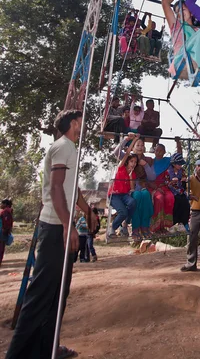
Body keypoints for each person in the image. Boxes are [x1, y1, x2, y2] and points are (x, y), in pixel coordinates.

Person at [6, 109, 97, 359]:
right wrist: (68, 226)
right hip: (55, 227)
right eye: (82, 122)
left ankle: (47, 348)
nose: (84, 126)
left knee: (58, 293)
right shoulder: (63, 147)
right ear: (74, 123)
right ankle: (18, 354)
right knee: (41, 294)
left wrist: (88, 212)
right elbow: (56, 188)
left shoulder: (71, 149)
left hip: (61, 227)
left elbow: (71, 188)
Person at [114, 135, 155, 241]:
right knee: (136, 196)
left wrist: (145, 165)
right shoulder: (128, 158)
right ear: (133, 147)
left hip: (142, 187)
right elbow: (116, 153)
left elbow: (152, 177)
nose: (140, 147)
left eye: (142, 145)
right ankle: (135, 229)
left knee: (146, 194)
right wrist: (126, 140)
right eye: (138, 145)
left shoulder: (148, 160)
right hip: (128, 190)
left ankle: (145, 227)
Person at [149, 139, 183, 233]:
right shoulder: (150, 161)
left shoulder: (168, 161)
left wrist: (178, 143)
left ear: (164, 152)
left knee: (170, 198)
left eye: (160, 151)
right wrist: (156, 188)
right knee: (159, 198)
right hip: (154, 187)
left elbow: (178, 156)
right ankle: (156, 227)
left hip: (165, 186)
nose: (158, 152)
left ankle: (166, 226)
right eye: (156, 150)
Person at [107, 146, 137, 238]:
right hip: (114, 195)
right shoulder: (121, 168)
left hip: (124, 195)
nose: (133, 164)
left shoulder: (133, 174)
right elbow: (127, 153)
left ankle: (125, 224)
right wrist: (133, 140)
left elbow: (132, 189)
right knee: (123, 212)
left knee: (132, 202)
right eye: (132, 161)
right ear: (127, 162)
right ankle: (113, 228)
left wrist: (131, 177)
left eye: (135, 162)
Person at [167, 152, 190, 231]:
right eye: (178, 164)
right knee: (175, 202)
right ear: (174, 164)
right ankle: (172, 223)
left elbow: (184, 179)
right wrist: (175, 181)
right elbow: (168, 182)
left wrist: (180, 180)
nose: (180, 165)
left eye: (181, 164)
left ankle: (183, 223)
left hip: (180, 190)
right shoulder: (168, 171)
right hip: (171, 190)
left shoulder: (182, 171)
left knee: (185, 202)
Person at [0, 199, 13, 267]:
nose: (1, 205)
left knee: (1, 248)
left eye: (2, 203)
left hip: (2, 233)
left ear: (5, 204)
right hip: (4, 232)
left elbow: (6, 221)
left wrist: (4, 230)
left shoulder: (5, 212)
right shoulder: (8, 211)